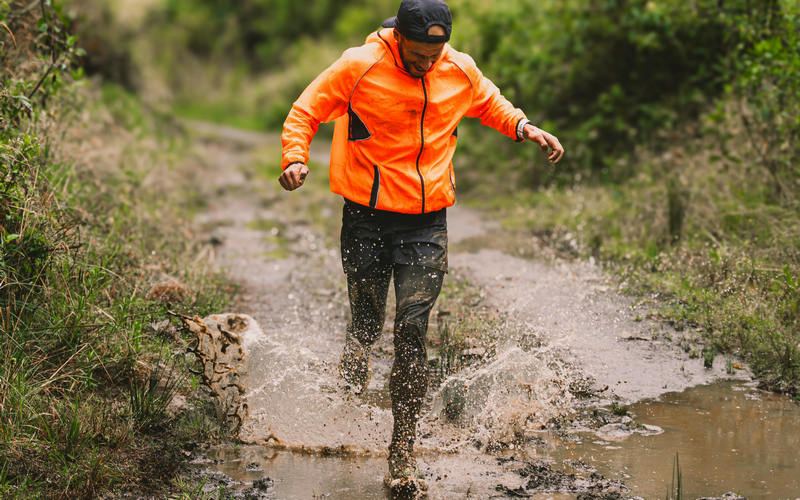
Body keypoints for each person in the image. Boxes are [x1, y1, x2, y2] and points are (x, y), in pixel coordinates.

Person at [279, 0, 563, 493]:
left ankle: (402, 454)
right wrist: (294, 158)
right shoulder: (359, 64)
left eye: (435, 55)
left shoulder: (458, 67)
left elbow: (489, 102)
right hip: (366, 214)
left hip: (426, 218)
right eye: (417, 55)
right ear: (397, 39)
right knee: (368, 317)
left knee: (412, 330)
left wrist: (523, 127)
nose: (426, 64)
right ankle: (358, 346)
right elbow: (305, 111)